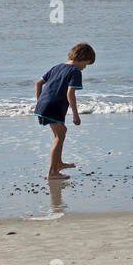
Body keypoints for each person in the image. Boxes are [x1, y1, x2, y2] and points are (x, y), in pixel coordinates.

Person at [34, 43, 95, 180]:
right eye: (86, 64)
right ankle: (52, 173)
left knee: (61, 132)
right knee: (59, 136)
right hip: (53, 107)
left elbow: (38, 83)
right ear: (82, 58)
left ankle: (59, 164)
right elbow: (70, 94)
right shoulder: (75, 71)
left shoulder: (57, 67)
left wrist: (40, 103)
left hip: (44, 106)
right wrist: (75, 114)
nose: (84, 68)